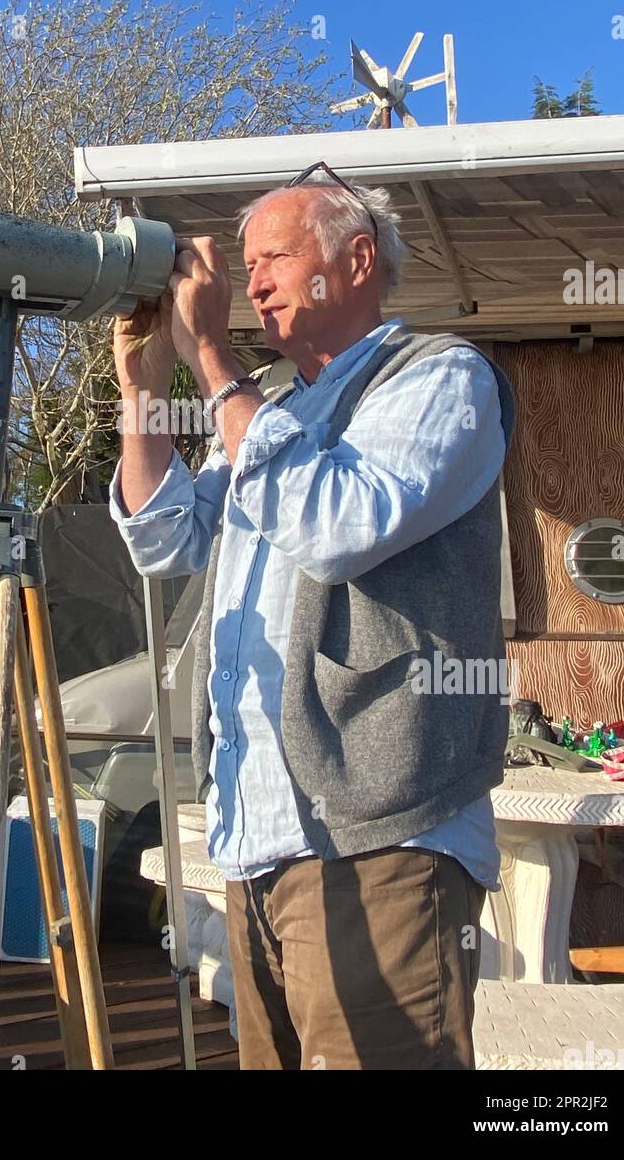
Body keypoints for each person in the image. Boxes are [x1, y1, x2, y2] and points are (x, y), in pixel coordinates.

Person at [109, 166, 515, 1070]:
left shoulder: (439, 378)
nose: (248, 283)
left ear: (356, 258)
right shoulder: (274, 406)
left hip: (379, 836)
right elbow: (166, 537)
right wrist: (144, 391)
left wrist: (211, 362)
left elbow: (338, 525)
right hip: (257, 834)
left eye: (273, 258)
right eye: (242, 264)